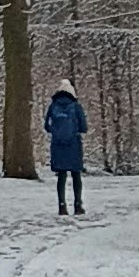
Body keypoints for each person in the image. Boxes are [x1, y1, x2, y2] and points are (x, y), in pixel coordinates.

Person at [43, 80, 88, 217]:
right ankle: (78, 205)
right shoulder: (76, 107)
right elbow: (84, 128)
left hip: (57, 146)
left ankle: (62, 206)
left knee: (61, 176)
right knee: (76, 175)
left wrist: (56, 132)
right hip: (73, 145)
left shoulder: (53, 107)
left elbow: (46, 126)